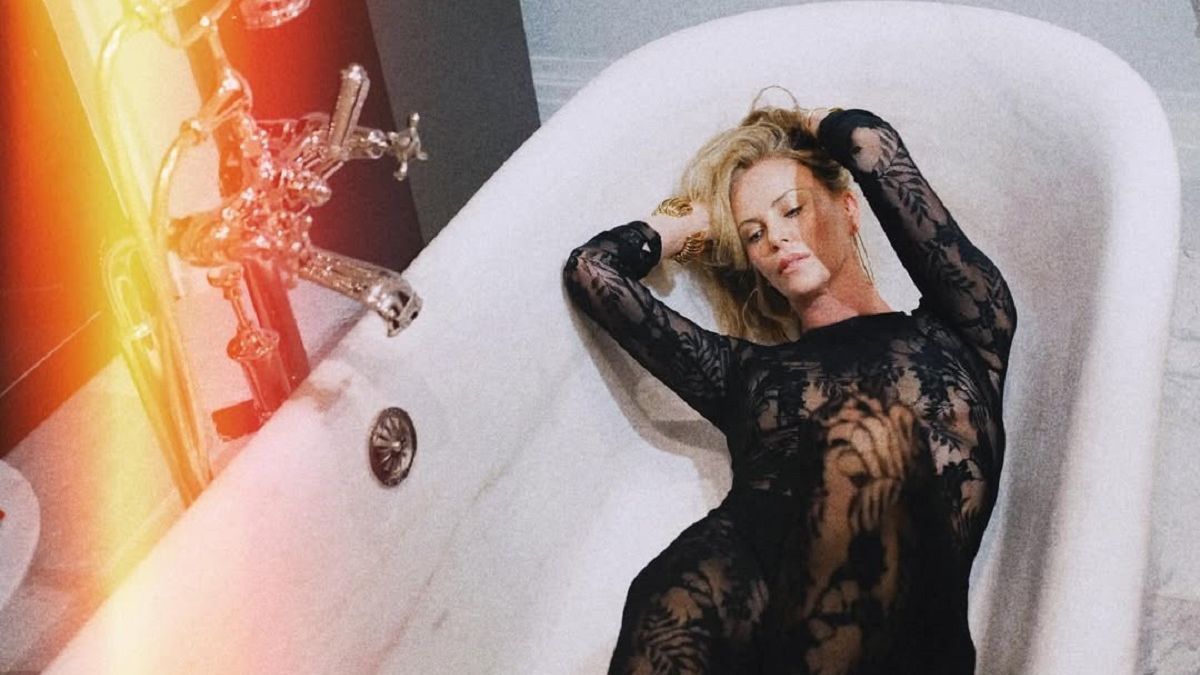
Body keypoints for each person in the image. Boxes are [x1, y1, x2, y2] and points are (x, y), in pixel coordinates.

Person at [562, 103, 1017, 674]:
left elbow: (869, 143)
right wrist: (691, 224)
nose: (777, 238)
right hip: (757, 586)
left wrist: (797, 122)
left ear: (849, 209)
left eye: (793, 210)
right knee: (673, 591)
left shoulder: (967, 324)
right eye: (754, 235)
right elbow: (592, 271)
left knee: (866, 442)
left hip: (893, 622)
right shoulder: (743, 372)